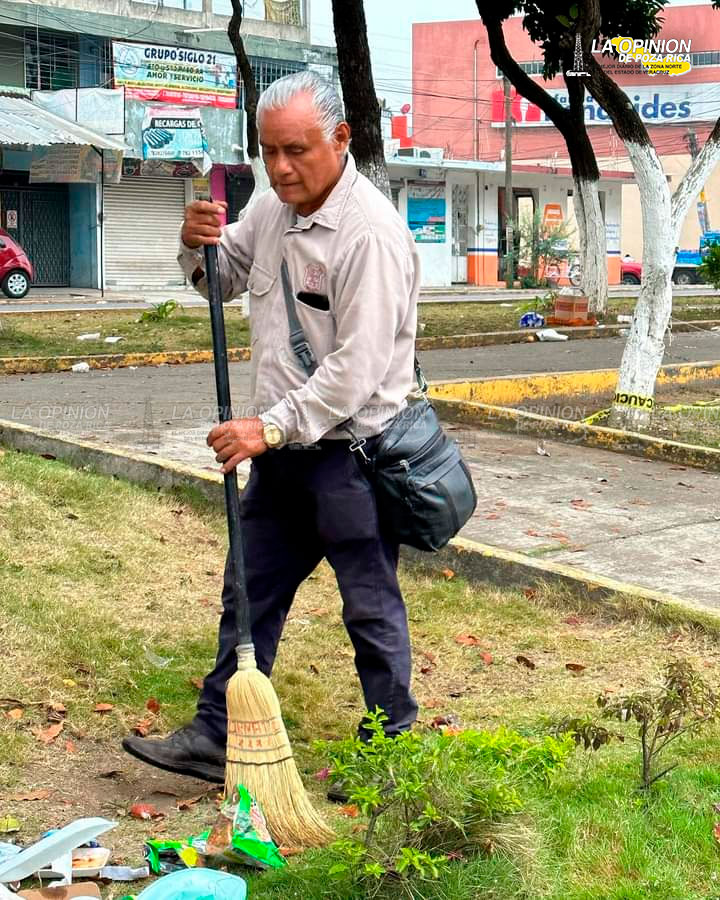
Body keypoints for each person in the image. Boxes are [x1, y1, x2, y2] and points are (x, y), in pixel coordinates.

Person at [122, 71, 421, 784]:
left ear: (340, 139)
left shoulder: (370, 235)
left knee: (369, 607)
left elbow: (355, 370)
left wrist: (269, 427)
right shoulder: (271, 206)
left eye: (297, 150)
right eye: (269, 152)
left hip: (351, 457)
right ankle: (217, 733)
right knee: (248, 591)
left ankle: (391, 754)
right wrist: (197, 245)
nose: (281, 168)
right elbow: (221, 280)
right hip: (283, 456)